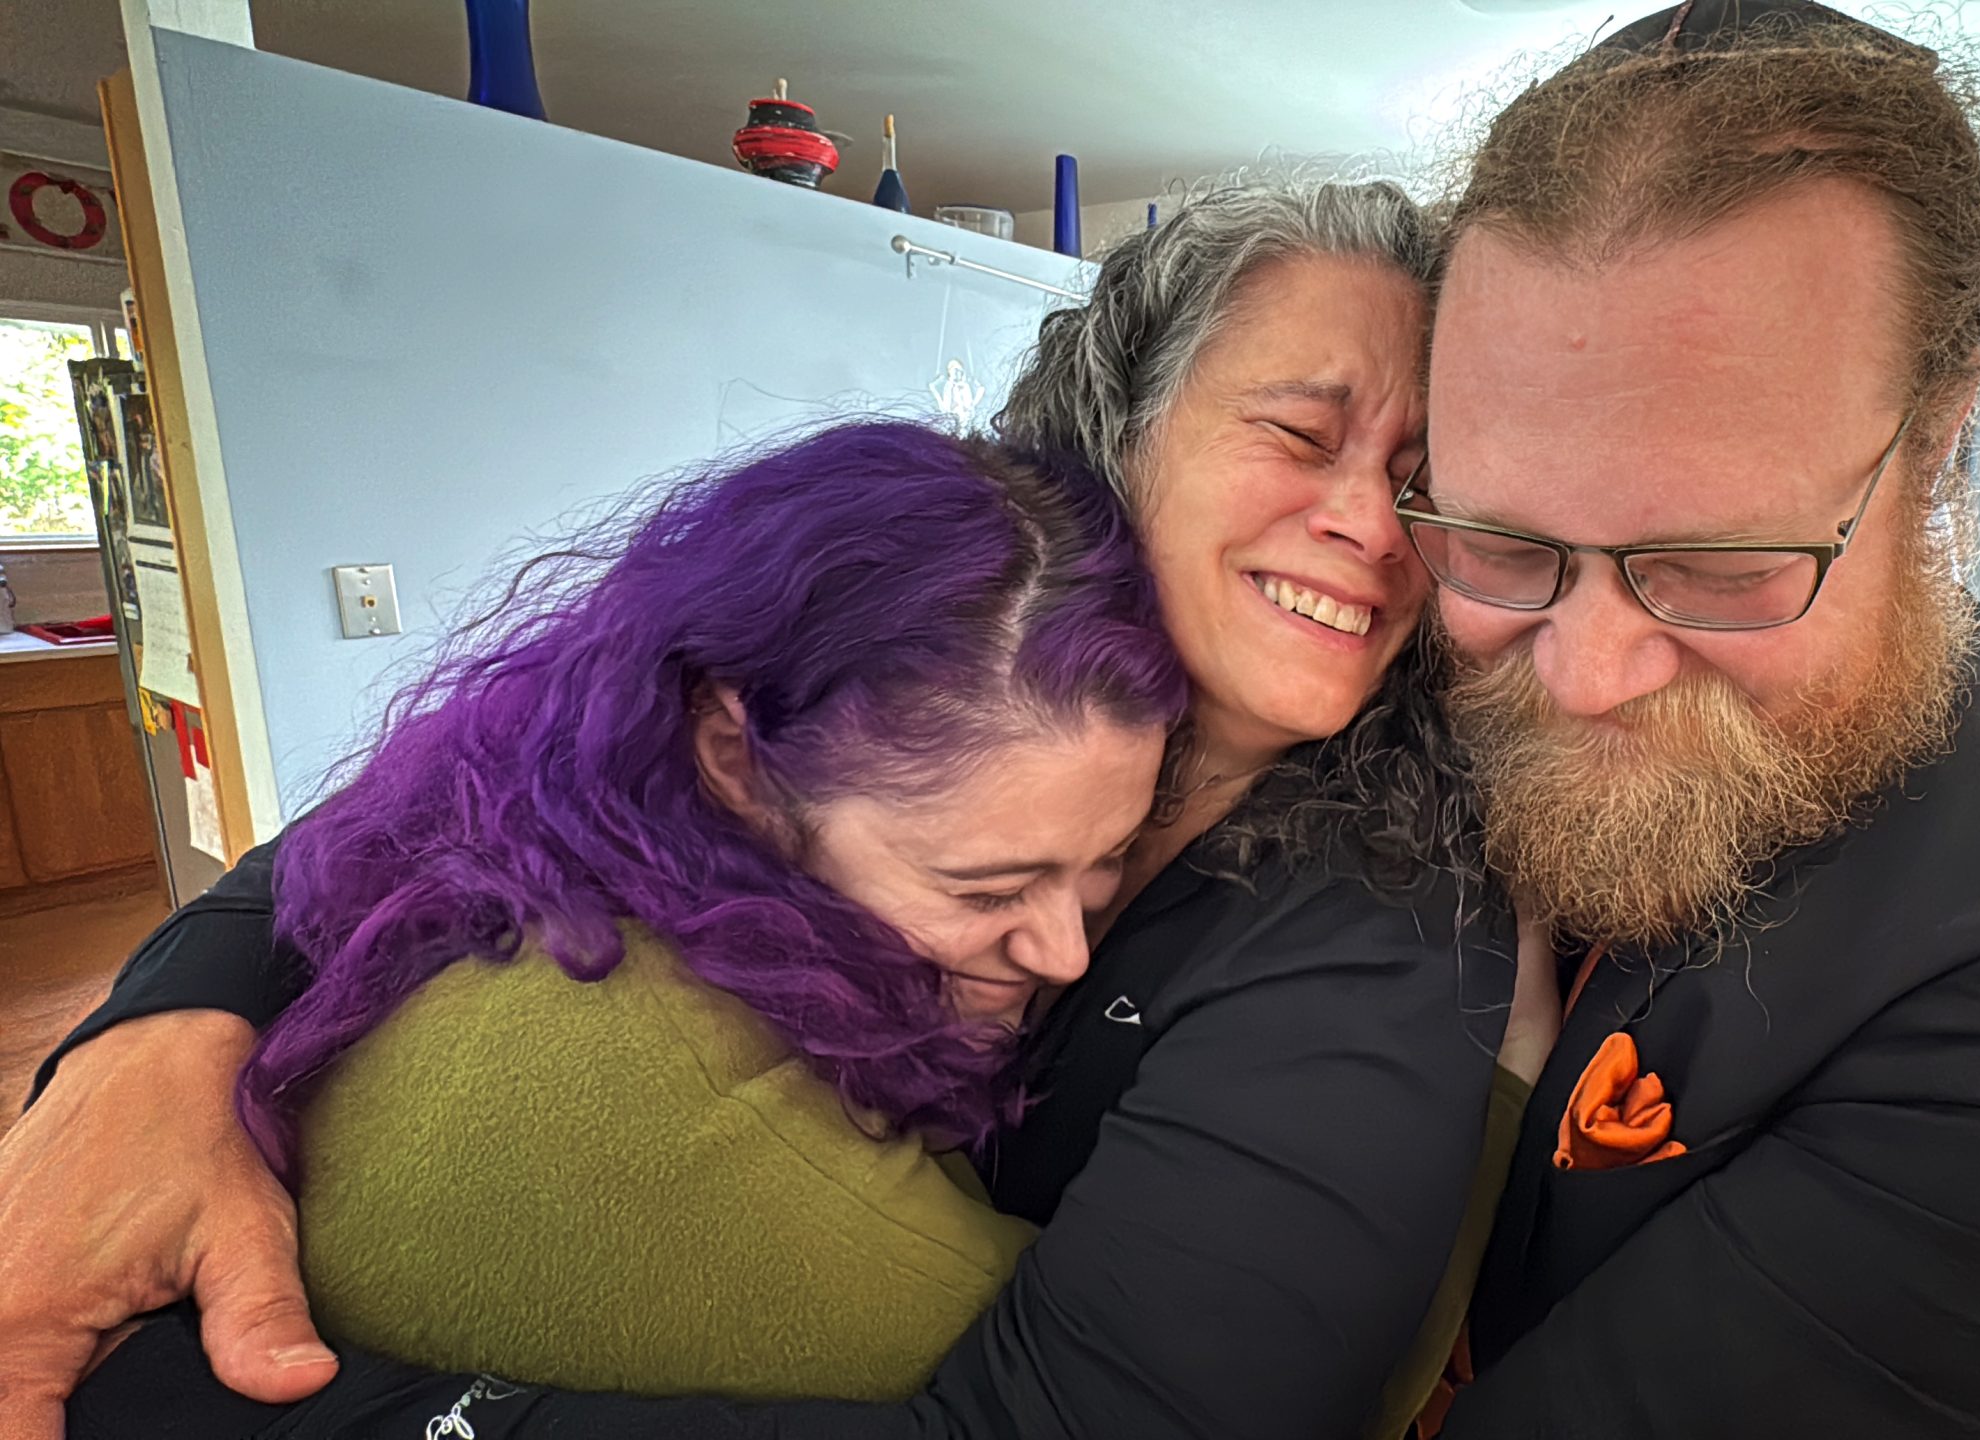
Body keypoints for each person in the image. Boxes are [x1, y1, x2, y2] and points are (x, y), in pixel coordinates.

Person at [7, 184, 1520, 1440]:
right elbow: (464, 790)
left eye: (1424, 479)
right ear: (1122, 423)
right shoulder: (946, 606)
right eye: (1303, 434)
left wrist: (173, 1402)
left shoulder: (1376, 932)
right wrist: (156, 1035)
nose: (1374, 527)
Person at [1410, 5, 1980, 1436]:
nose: (1584, 673)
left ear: (1937, 448)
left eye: (1719, 565)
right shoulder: (1402, 664)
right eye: (1497, 542)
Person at [238, 420, 1190, 1401]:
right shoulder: (689, 1126)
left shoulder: (547, 861)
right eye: (985, 890)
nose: (1065, 955)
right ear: (735, 755)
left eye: (1106, 861)